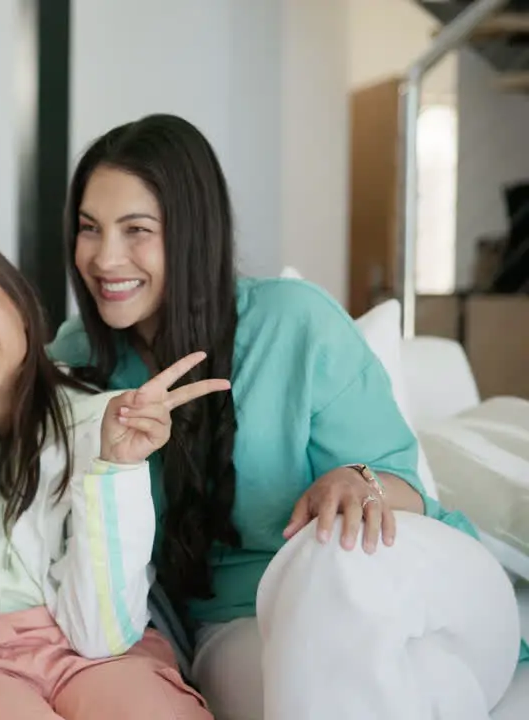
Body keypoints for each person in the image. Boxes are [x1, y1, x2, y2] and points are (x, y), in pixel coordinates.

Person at [49, 113, 526, 719]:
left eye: (136, 229)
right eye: (89, 229)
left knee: (328, 557)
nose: (105, 258)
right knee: (404, 688)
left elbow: (399, 485)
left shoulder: (293, 322)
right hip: (240, 624)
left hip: (401, 581)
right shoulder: (77, 359)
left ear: (195, 232)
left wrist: (357, 481)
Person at [0, 235, 224, 719]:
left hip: (96, 653)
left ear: (18, 301)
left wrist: (116, 469)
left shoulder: (103, 422)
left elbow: (102, 636)